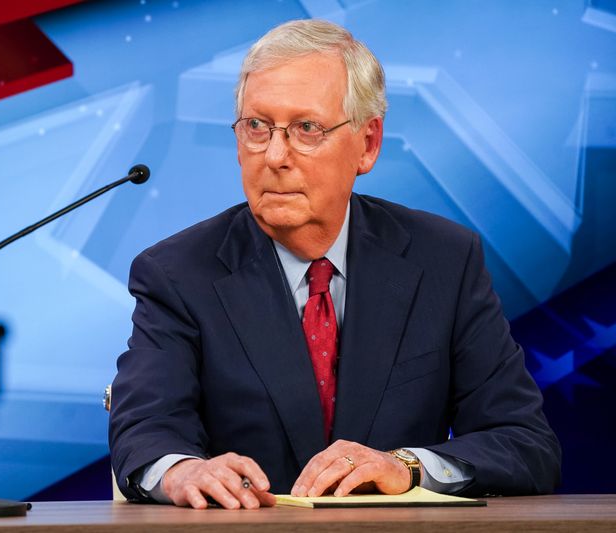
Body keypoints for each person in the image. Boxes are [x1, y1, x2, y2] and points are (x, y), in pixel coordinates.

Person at [108, 19, 561, 509]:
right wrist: (182, 471)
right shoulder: (177, 273)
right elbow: (145, 431)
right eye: (257, 127)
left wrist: (407, 467)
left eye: (307, 129)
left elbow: (524, 443)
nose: (275, 155)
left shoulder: (444, 260)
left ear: (367, 144)